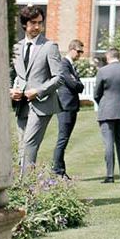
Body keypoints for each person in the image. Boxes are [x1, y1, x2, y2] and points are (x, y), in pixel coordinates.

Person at [10, 6, 63, 175]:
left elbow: (59, 78)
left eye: (40, 23)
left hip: (42, 104)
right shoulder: (16, 48)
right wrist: (11, 90)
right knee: (21, 146)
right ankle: (25, 188)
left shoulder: (49, 46)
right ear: (24, 24)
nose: (38, 27)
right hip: (21, 105)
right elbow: (7, 75)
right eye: (33, 23)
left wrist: (38, 91)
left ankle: (27, 189)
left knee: (28, 145)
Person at [93, 47, 120, 183]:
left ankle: (110, 175)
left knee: (109, 143)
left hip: (106, 110)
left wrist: (102, 104)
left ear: (107, 57)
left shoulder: (103, 71)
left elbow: (96, 94)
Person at [52, 38, 86, 178]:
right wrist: (78, 84)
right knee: (62, 139)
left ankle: (60, 169)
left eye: (82, 52)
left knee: (64, 139)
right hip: (65, 106)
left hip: (70, 106)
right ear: (72, 49)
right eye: (79, 51)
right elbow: (75, 85)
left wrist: (78, 84)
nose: (80, 54)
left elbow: (79, 85)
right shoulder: (64, 64)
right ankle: (57, 170)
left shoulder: (70, 65)